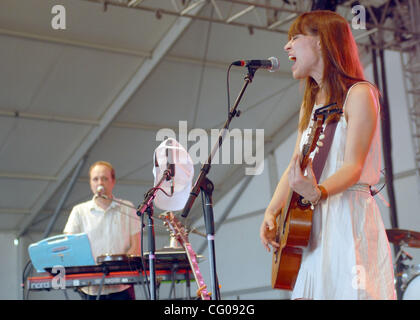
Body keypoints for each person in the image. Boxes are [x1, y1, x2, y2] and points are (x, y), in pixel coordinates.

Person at [259, 10, 396, 300]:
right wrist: (272, 210)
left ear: (321, 41)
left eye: (295, 37)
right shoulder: (311, 105)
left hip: (347, 213)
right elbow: (292, 166)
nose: (287, 47)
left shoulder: (359, 93)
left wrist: (317, 191)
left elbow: (353, 166)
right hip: (313, 222)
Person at [64, 161, 141, 300]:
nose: (100, 182)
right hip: (91, 289)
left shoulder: (128, 208)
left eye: (105, 178)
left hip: (122, 286)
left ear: (113, 181)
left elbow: (136, 246)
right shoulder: (79, 211)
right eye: (95, 179)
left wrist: (120, 269)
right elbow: (70, 247)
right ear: (90, 183)